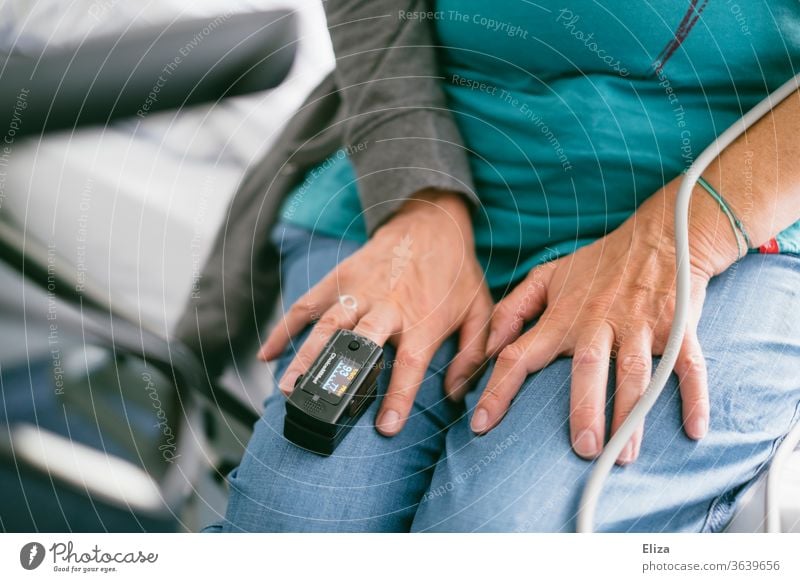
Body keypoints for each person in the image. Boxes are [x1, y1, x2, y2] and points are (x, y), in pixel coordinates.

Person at [205, 0, 800, 532]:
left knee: (501, 530)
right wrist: (419, 197)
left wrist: (683, 241)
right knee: (294, 524)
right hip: (439, 146)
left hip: (735, 215)